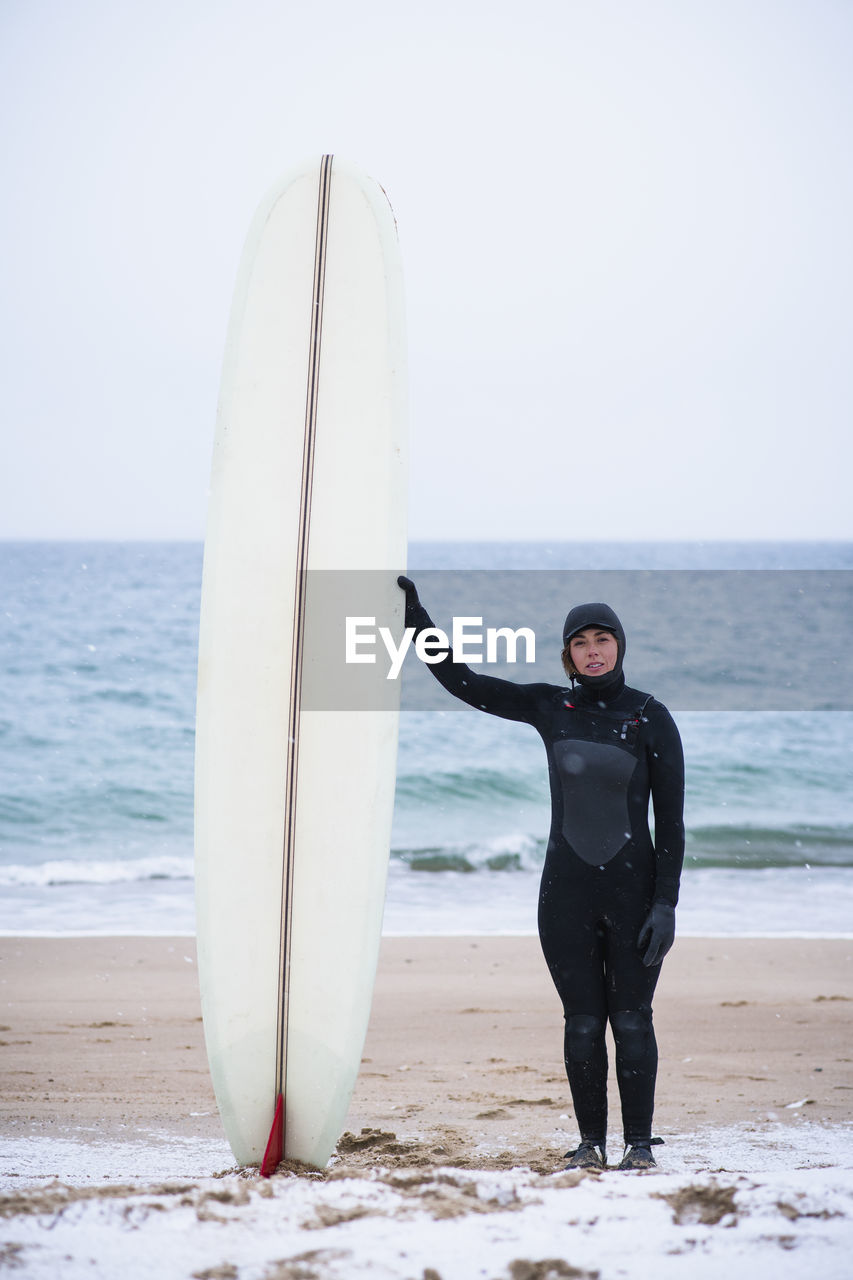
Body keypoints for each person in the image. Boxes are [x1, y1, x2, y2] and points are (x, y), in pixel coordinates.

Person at [397, 576, 685, 1171]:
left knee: (632, 1020)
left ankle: (638, 1146)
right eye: (580, 643)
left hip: (634, 893)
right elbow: (467, 684)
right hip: (565, 893)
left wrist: (665, 904)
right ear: (568, 654)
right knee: (581, 1021)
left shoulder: (651, 718)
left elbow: (672, 824)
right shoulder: (552, 706)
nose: (593, 651)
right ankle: (589, 1145)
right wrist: (419, 625)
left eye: (603, 639)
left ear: (620, 646)